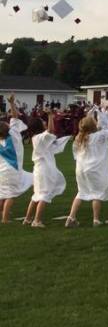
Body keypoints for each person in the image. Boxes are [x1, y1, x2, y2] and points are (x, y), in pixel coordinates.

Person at [65, 113, 108, 228]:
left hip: (81, 169)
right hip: (94, 169)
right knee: (97, 194)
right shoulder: (100, 136)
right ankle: (96, 220)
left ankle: (71, 217)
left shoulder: (78, 139)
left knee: (81, 192)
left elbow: (75, 156)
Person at [23, 110, 70, 228]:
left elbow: (51, 138)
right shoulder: (39, 138)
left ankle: (28, 219)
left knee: (36, 195)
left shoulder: (37, 138)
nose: (44, 123)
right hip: (44, 170)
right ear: (39, 126)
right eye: (42, 122)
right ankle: (37, 221)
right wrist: (50, 116)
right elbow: (51, 131)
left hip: (39, 170)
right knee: (44, 195)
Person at [0, 95, 33, 223]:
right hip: (13, 171)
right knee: (11, 195)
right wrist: (12, 103)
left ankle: (2, 215)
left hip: (2, 171)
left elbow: (13, 119)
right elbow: (15, 117)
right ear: (7, 129)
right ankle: (5, 219)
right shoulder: (14, 136)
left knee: (2, 194)